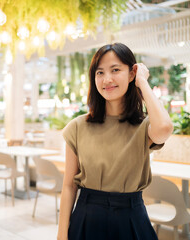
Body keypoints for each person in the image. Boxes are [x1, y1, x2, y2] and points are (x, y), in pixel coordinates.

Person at [57, 43, 173, 240]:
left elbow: (164, 129)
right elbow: (69, 185)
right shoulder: (77, 127)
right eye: (99, 72)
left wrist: (143, 82)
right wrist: (62, 234)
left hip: (131, 218)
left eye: (115, 70)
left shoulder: (143, 127)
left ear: (131, 74)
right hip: (87, 217)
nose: (107, 79)